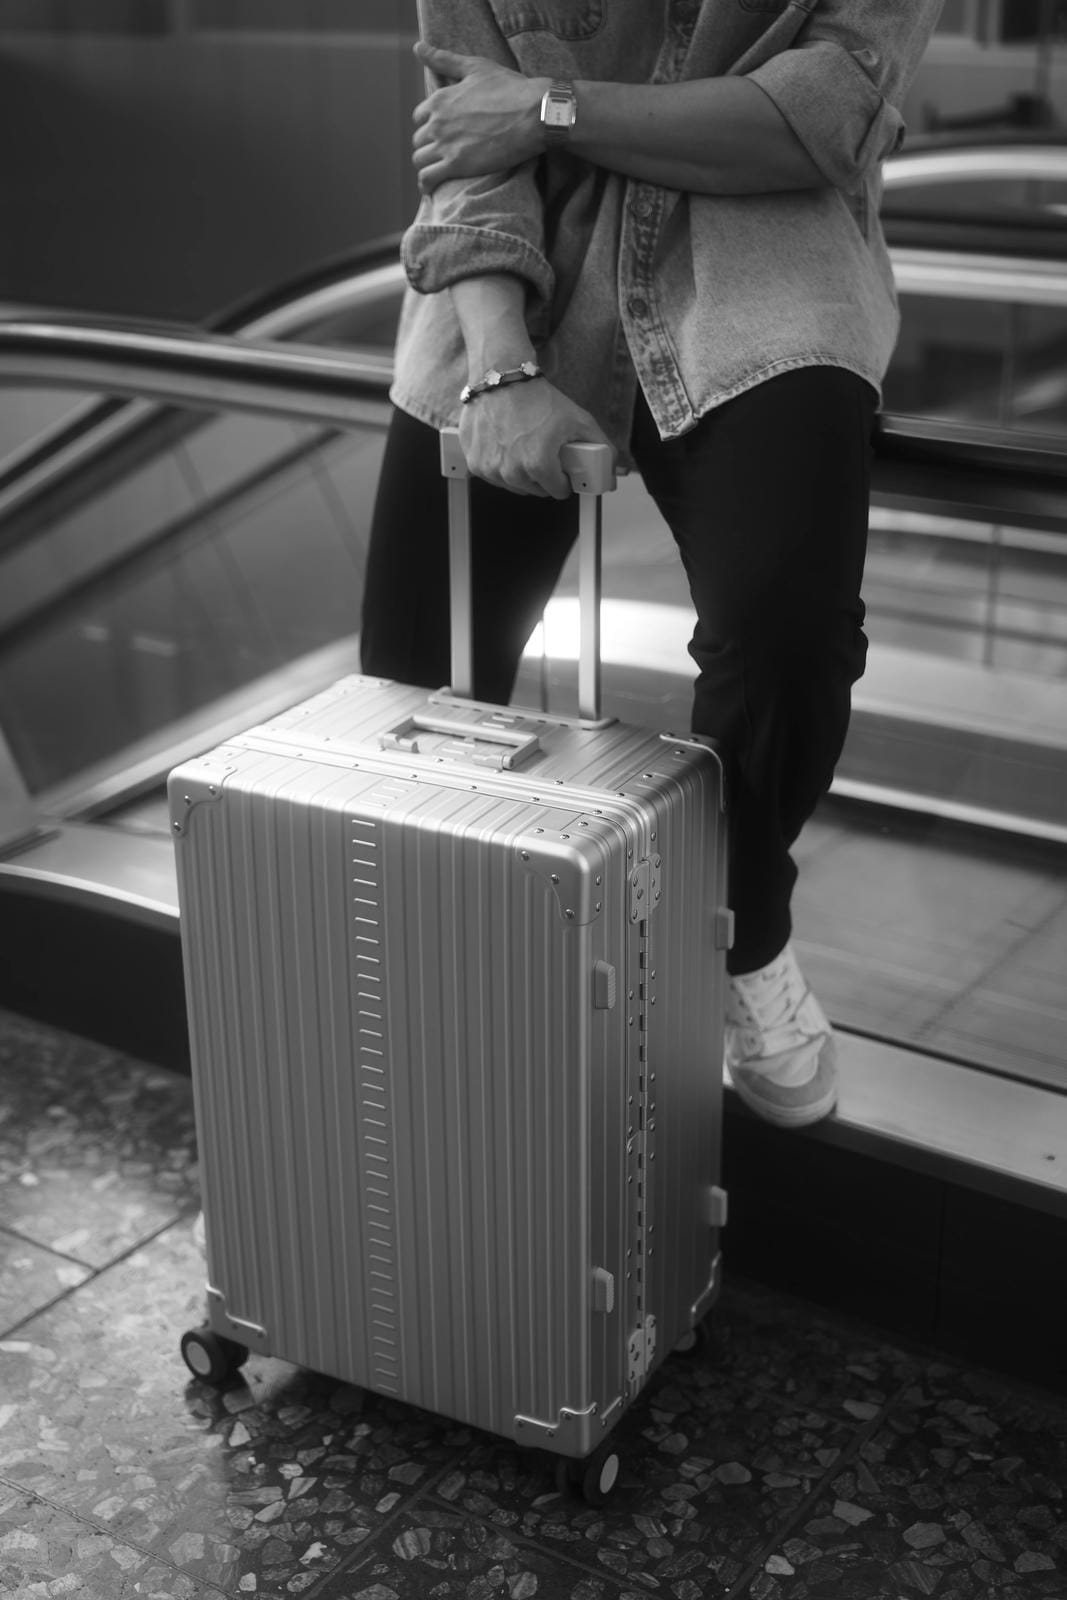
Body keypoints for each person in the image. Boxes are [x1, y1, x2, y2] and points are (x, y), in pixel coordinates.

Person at [360, 0, 944, 1129]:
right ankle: (425, 1006)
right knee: (405, 681)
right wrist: (494, 368)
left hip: (765, 266)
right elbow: (461, 139)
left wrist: (546, 109)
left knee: (786, 633)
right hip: (510, 283)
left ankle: (737, 922)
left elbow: (820, 118)